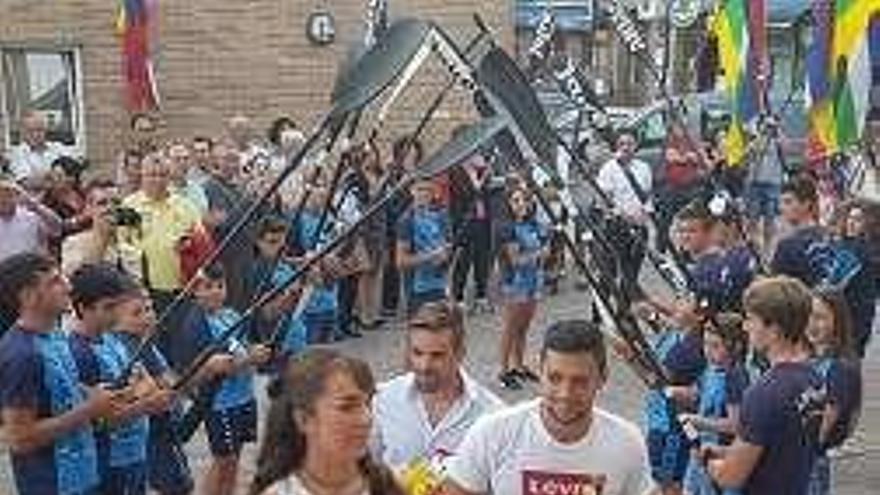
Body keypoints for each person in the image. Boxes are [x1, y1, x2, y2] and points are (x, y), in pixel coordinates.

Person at [442, 319, 655, 495]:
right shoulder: (493, 432)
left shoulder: (626, 442)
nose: (565, 394)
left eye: (580, 381)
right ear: (539, 372)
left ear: (602, 380)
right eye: (555, 378)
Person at [0, 253, 122, 495]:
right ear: (28, 296)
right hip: (52, 483)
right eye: (55, 281)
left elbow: (59, 387)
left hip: (83, 477)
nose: (68, 286)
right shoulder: (21, 354)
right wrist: (89, 410)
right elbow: (18, 437)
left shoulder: (55, 335)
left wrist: (95, 394)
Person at [704, 276, 824, 494]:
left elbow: (730, 477)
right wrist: (726, 451)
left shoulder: (764, 393)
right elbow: (778, 450)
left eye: (751, 319)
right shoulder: (814, 378)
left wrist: (707, 460)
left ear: (774, 329)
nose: (745, 326)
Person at [65, 263, 173, 495]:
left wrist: (139, 394)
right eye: (108, 307)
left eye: (117, 305)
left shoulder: (112, 339)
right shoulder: (80, 352)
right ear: (83, 308)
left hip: (135, 452)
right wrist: (145, 404)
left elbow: (144, 384)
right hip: (110, 461)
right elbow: (100, 420)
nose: (115, 314)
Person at [371, 302, 503, 474]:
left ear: (460, 353)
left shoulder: (491, 414)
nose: (424, 365)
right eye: (417, 353)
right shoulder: (383, 398)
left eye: (437, 356)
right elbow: (365, 470)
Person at [250, 349, 405, 495]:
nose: (367, 418)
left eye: (368, 403)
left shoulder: (383, 485)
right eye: (347, 407)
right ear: (304, 420)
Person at [185, 264, 272, 495]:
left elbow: (242, 349)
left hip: (243, 398)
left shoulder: (231, 315)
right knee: (225, 462)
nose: (215, 292)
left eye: (220, 286)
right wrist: (249, 359)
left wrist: (256, 351)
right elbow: (215, 367)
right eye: (208, 287)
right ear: (194, 290)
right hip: (221, 403)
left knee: (234, 460)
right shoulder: (197, 323)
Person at [122, 152, 204, 367]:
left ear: (169, 177)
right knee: (152, 344)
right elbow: (123, 244)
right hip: (147, 292)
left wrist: (189, 245)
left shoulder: (185, 205)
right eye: (151, 175)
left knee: (184, 343)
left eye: (162, 174)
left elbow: (202, 241)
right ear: (142, 175)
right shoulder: (129, 205)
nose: (157, 180)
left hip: (183, 289)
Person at [113, 286, 195, 495]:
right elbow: (166, 387)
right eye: (136, 313)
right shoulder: (130, 346)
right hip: (155, 436)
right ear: (115, 318)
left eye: (149, 309)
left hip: (165, 433)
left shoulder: (146, 342)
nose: (147, 317)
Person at [673, 313, 749, 495]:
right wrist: (673, 392)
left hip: (720, 455)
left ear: (736, 347)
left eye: (715, 346)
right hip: (700, 450)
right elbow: (698, 394)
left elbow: (735, 425)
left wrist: (698, 421)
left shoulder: (735, 377)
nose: (708, 351)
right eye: (706, 344)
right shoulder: (712, 367)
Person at [805, 289, 863, 495]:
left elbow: (824, 427)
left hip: (809, 463)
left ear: (837, 321)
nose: (811, 324)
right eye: (808, 316)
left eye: (819, 317)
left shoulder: (840, 368)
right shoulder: (810, 359)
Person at [497, 186, 547, 390]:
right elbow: (515, 260)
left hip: (533, 280)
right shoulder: (507, 228)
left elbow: (543, 248)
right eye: (516, 201)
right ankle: (503, 370)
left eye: (524, 200)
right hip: (515, 282)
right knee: (511, 327)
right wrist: (539, 255)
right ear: (508, 204)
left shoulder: (532, 224)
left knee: (524, 326)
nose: (521, 205)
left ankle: (518, 364)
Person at [596, 131, 653, 299]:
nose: (626, 147)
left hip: (640, 226)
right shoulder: (609, 168)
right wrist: (622, 215)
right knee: (609, 271)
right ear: (616, 147)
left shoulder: (644, 167)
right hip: (616, 227)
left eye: (630, 143)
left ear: (636, 145)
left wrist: (646, 213)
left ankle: (625, 311)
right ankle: (600, 312)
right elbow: (602, 201)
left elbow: (647, 195)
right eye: (622, 144)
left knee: (631, 274)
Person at [61, 178, 143, 280]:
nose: (110, 207)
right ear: (89, 209)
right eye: (102, 203)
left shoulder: (130, 250)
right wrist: (102, 239)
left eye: (116, 202)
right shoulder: (73, 244)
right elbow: (76, 283)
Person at [396, 179, 451, 314]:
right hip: (418, 290)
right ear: (412, 191)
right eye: (420, 189)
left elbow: (445, 248)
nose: (423, 194)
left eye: (427, 190)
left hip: (439, 285)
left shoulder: (439, 217)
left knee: (442, 331)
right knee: (422, 331)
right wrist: (431, 256)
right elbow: (401, 261)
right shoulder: (406, 220)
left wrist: (445, 255)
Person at [450, 149, 495, 313]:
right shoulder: (455, 171)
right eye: (475, 152)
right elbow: (467, 194)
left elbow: (486, 194)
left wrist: (485, 175)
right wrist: (481, 181)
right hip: (465, 222)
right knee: (464, 260)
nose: (479, 155)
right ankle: (459, 297)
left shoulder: (482, 171)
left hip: (483, 221)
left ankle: (481, 296)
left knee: (482, 258)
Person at [770, 176, 825, 286]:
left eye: (788, 202)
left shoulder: (786, 246)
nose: (781, 208)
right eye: (781, 202)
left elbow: (777, 290)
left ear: (806, 204)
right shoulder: (831, 236)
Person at [0, 172, 63, 263]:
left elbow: (57, 229)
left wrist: (35, 206)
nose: (4, 199)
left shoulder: (31, 215)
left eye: (8, 195)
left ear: (16, 195)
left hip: (35, 268)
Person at [744, 119, 785, 257]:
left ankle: (768, 249)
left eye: (769, 127)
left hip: (772, 183)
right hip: (755, 183)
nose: (767, 129)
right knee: (753, 217)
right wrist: (758, 140)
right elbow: (746, 156)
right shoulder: (755, 142)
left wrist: (777, 131)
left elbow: (787, 146)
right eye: (765, 126)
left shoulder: (777, 142)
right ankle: (754, 248)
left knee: (770, 217)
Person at [6, 111, 76, 183]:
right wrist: (50, 176)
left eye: (39, 130)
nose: (35, 135)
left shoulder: (58, 148)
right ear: (23, 132)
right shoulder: (17, 154)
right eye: (30, 131)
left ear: (46, 130)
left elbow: (76, 167)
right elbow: (27, 181)